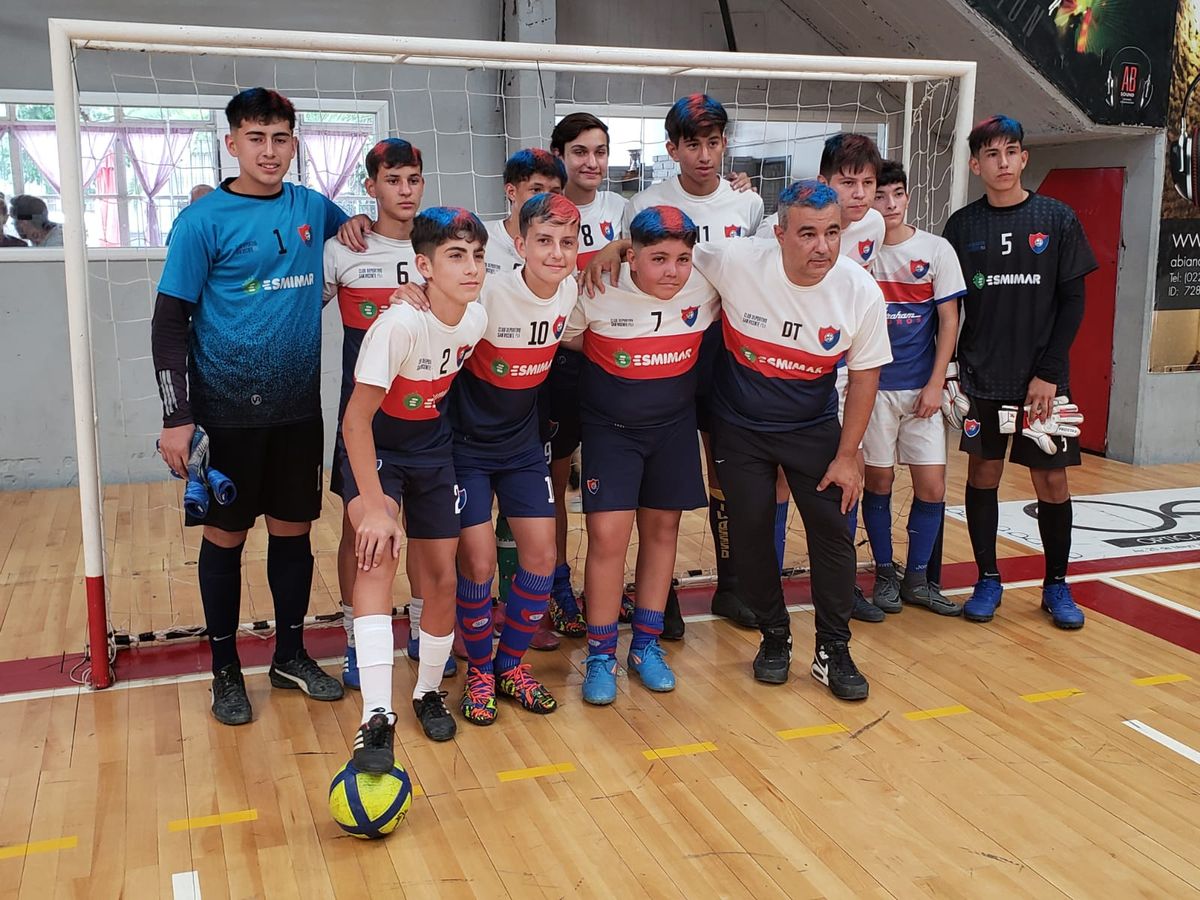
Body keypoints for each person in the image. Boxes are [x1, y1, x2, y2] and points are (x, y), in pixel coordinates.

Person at [151, 87, 348, 725]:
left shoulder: (314, 207)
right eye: (256, 138)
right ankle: (225, 671)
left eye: (280, 139)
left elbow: (367, 238)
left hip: (296, 413)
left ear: (294, 144)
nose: (269, 151)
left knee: (293, 534)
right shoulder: (201, 221)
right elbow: (168, 324)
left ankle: (289, 655)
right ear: (231, 143)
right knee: (226, 538)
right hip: (224, 415)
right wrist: (177, 416)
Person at [692, 180, 892, 698]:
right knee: (752, 535)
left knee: (833, 534)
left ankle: (833, 649)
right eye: (807, 234)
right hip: (740, 430)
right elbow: (672, 250)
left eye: (832, 233)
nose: (822, 246)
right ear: (779, 234)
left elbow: (865, 376)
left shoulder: (860, 291)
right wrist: (622, 247)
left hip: (813, 429)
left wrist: (847, 456)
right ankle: (774, 636)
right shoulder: (735, 259)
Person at [610, 93, 765, 636]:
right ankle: (662, 595)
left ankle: (732, 585)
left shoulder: (747, 203)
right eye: (692, 144)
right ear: (672, 148)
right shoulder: (644, 202)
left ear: (725, 145)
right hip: (662, 347)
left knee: (724, 465)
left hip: (725, 347)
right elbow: (626, 264)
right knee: (656, 475)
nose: (704, 155)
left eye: (713, 143)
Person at [341, 207, 489, 765]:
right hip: (375, 447)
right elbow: (355, 422)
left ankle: (428, 692)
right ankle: (376, 715)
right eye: (456, 256)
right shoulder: (399, 325)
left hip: (431, 450)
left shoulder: (474, 320)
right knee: (376, 556)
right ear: (423, 267)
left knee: (442, 578)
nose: (471, 267)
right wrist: (376, 509)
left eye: (477, 256)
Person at [427, 193, 581, 724]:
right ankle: (479, 673)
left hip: (521, 448)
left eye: (567, 242)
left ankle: (509, 665)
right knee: (479, 563)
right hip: (465, 448)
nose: (556, 253)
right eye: (544, 241)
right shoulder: (486, 293)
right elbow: (434, 302)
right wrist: (411, 293)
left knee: (541, 556)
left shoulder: (570, 290)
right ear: (519, 246)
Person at [941, 115, 1096, 629]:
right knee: (983, 474)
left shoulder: (1057, 217)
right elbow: (948, 307)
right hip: (982, 378)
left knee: (1051, 481)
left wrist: (1049, 372)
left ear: (1024, 158)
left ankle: (1057, 585)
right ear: (976, 165)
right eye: (992, 154)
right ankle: (988, 579)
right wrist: (951, 370)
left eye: (1011, 152)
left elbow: (1074, 302)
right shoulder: (962, 226)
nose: (1002, 162)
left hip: (1042, 383)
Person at [563, 206, 719, 704]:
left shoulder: (707, 283)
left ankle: (646, 646)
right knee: (608, 538)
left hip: (673, 431)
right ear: (632, 257)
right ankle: (600, 655)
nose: (672, 271)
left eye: (681, 259)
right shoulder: (596, 288)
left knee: (662, 533)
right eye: (658, 259)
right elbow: (567, 335)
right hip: (610, 433)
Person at [323, 138, 459, 689]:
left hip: (425, 419)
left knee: (427, 535)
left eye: (413, 179)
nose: (405, 190)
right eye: (393, 180)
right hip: (364, 421)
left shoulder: (442, 248)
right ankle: (358, 640)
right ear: (371, 186)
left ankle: (424, 632)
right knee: (361, 531)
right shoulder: (342, 251)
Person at [861, 160, 964, 617]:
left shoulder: (936, 249)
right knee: (878, 482)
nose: (889, 204)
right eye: (880, 196)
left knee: (932, 486)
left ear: (907, 196)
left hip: (922, 389)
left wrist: (936, 382)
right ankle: (885, 573)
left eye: (897, 194)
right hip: (873, 390)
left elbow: (949, 320)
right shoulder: (859, 251)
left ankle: (918, 579)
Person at [486, 149, 567, 276]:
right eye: (536, 190)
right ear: (511, 192)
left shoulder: (563, 246)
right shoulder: (482, 238)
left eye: (554, 192)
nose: (545, 200)